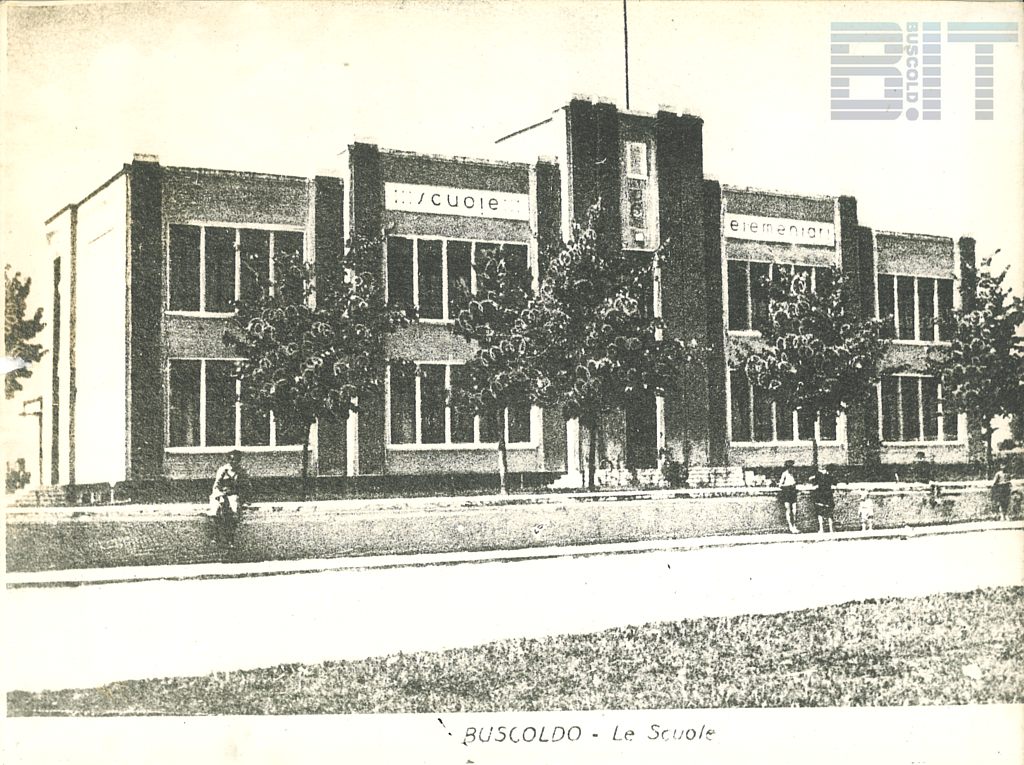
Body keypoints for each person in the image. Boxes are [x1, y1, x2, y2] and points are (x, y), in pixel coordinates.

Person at [209, 450, 245, 517]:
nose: (234, 462)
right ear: (229, 460)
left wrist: (240, 493)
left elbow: (245, 485)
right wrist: (220, 493)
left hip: (233, 493)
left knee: (235, 509)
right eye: (232, 460)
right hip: (221, 492)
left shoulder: (241, 471)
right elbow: (216, 485)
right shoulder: (223, 470)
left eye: (236, 460)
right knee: (216, 508)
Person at [810, 465, 836, 533]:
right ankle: (831, 529)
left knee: (820, 513)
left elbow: (812, 482)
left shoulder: (818, 475)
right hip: (828, 495)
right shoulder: (830, 477)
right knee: (829, 513)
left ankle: (822, 529)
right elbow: (835, 483)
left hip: (820, 495)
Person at [779, 459, 799, 533]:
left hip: (793, 492)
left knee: (794, 510)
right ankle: (790, 526)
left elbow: (797, 482)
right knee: (788, 510)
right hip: (787, 492)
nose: (791, 468)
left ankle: (794, 526)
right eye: (789, 467)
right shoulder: (784, 474)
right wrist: (788, 485)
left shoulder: (794, 474)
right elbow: (780, 485)